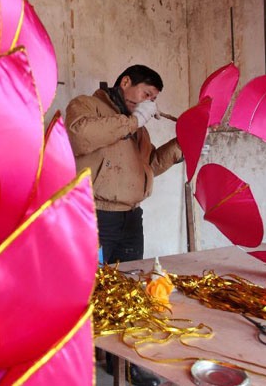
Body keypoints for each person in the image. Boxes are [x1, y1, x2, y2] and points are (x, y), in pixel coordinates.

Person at [65, 65, 183, 386]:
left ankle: (129, 362)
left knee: (129, 292)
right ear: (125, 82)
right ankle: (82, 362)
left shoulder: (139, 128)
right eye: (146, 94)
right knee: (92, 291)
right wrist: (135, 120)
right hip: (95, 215)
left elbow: (149, 166)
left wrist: (181, 143)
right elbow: (79, 136)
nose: (149, 102)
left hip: (132, 218)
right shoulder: (85, 106)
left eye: (154, 99)